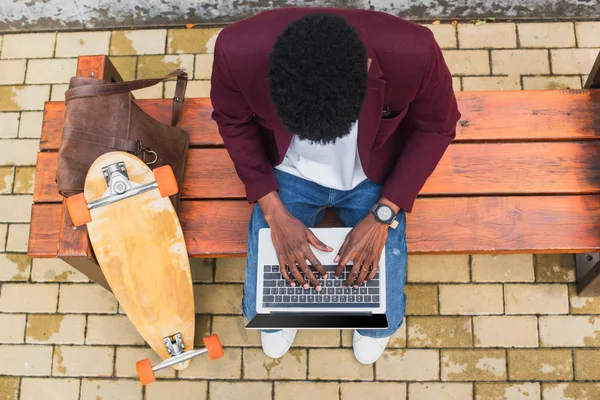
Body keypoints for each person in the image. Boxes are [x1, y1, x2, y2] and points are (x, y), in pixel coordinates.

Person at [210, 7, 460, 364]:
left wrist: (383, 214)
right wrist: (275, 214)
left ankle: (373, 329)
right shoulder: (237, 50)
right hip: (288, 172)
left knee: (381, 308)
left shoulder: (414, 50)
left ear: (367, 73)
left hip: (373, 173)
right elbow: (233, 123)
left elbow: (438, 126)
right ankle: (281, 318)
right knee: (262, 303)